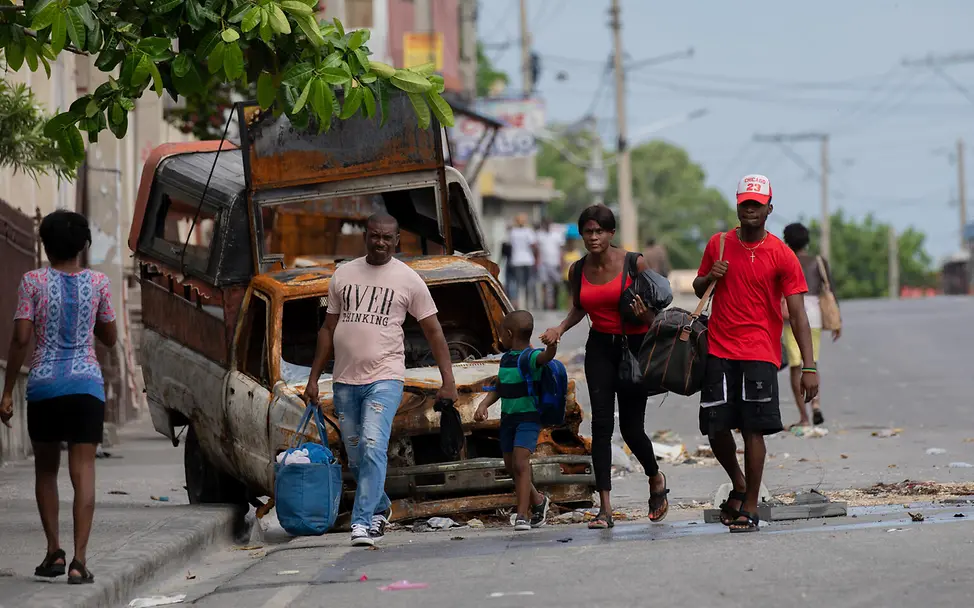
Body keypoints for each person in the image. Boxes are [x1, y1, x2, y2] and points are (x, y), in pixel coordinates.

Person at [302, 213, 459, 547]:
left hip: (385, 377)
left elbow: (434, 332)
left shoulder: (409, 280)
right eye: (375, 236)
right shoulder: (343, 274)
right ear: (365, 236)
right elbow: (328, 328)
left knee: (374, 445)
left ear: (397, 239)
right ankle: (380, 507)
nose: (381, 243)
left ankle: (361, 523)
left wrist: (449, 380)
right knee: (356, 455)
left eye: (388, 238)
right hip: (344, 380)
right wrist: (314, 379)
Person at [692, 174, 819, 533]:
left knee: (752, 430)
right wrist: (708, 277)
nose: (750, 209)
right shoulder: (718, 244)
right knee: (715, 428)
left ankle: (750, 506)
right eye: (745, 203)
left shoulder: (782, 254)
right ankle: (740, 482)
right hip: (718, 346)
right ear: (737, 206)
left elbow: (797, 315)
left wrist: (809, 366)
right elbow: (699, 285)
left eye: (757, 204)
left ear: (769, 209)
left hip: (760, 352)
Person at [1, 210, 117, 584]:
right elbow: (110, 337)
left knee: (46, 470)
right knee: (82, 471)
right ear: (84, 245)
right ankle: (80, 562)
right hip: (86, 386)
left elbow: (21, 338)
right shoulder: (99, 283)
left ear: (44, 245)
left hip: (45, 386)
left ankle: (53, 551)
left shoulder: (31, 281)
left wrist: (6, 393)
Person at [541, 205, 669, 529]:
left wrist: (644, 316)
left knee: (631, 429)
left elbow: (657, 314)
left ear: (612, 233)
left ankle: (655, 477)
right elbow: (579, 308)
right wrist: (559, 328)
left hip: (634, 349)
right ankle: (605, 508)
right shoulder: (578, 269)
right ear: (582, 234)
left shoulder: (633, 263)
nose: (594, 237)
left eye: (600, 231)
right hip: (599, 348)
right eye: (588, 231)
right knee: (600, 426)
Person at [474, 310, 554, 530]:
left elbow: (546, 357)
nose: (500, 338)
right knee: (511, 466)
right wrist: (483, 405)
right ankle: (538, 501)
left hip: (528, 419)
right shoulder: (506, 359)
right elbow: (500, 387)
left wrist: (552, 345)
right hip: (508, 419)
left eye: (501, 334)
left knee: (520, 463)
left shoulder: (530, 357)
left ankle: (522, 515)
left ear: (509, 334)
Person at [782, 223, 840, 428]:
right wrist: (837, 321)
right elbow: (830, 289)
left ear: (786, 240)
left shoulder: (785, 260)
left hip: (791, 314)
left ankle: (804, 418)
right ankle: (816, 404)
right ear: (807, 240)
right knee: (811, 362)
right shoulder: (818, 261)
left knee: (796, 366)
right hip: (814, 315)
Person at [507, 215, 538, 309]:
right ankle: (528, 305)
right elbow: (533, 245)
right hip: (528, 260)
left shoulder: (512, 232)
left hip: (516, 260)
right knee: (528, 283)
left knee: (518, 284)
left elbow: (509, 245)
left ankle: (520, 305)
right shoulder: (529, 231)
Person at [536, 219, 566, 310]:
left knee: (556, 283)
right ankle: (545, 303)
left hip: (555, 263)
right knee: (544, 283)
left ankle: (555, 303)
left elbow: (561, 250)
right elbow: (537, 250)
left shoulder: (557, 235)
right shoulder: (540, 235)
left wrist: (562, 262)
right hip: (543, 263)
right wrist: (537, 261)